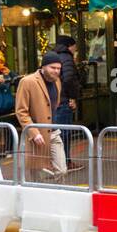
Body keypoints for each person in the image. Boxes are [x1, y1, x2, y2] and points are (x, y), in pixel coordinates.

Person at [14, 52, 68, 180]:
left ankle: (58, 197)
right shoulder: (27, 82)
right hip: (37, 135)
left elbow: (54, 104)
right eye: (53, 68)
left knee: (62, 170)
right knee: (38, 175)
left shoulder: (57, 81)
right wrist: (33, 132)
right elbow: (21, 111)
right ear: (43, 67)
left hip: (54, 133)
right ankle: (40, 196)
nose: (56, 71)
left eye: (59, 68)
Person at [53, 35, 84, 171]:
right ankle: (65, 162)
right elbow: (69, 79)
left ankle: (58, 161)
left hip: (53, 100)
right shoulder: (67, 58)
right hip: (63, 100)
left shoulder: (53, 56)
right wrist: (73, 97)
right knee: (64, 132)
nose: (75, 49)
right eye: (74, 46)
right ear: (69, 46)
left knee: (56, 132)